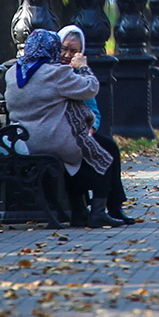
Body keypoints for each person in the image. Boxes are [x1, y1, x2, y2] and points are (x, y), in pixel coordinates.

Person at [1, 29, 115, 227]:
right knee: (100, 153)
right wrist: (84, 67)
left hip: (21, 142)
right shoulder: (55, 73)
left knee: (82, 153)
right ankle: (97, 212)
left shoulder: (12, 73)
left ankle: (79, 212)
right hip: (51, 140)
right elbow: (91, 87)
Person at [55, 25, 137, 224]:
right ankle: (92, 210)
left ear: (81, 53)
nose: (67, 54)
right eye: (64, 49)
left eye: (73, 51)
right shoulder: (55, 73)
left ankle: (113, 207)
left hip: (79, 131)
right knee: (103, 149)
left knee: (107, 145)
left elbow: (94, 110)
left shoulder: (81, 75)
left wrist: (92, 128)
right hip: (60, 133)